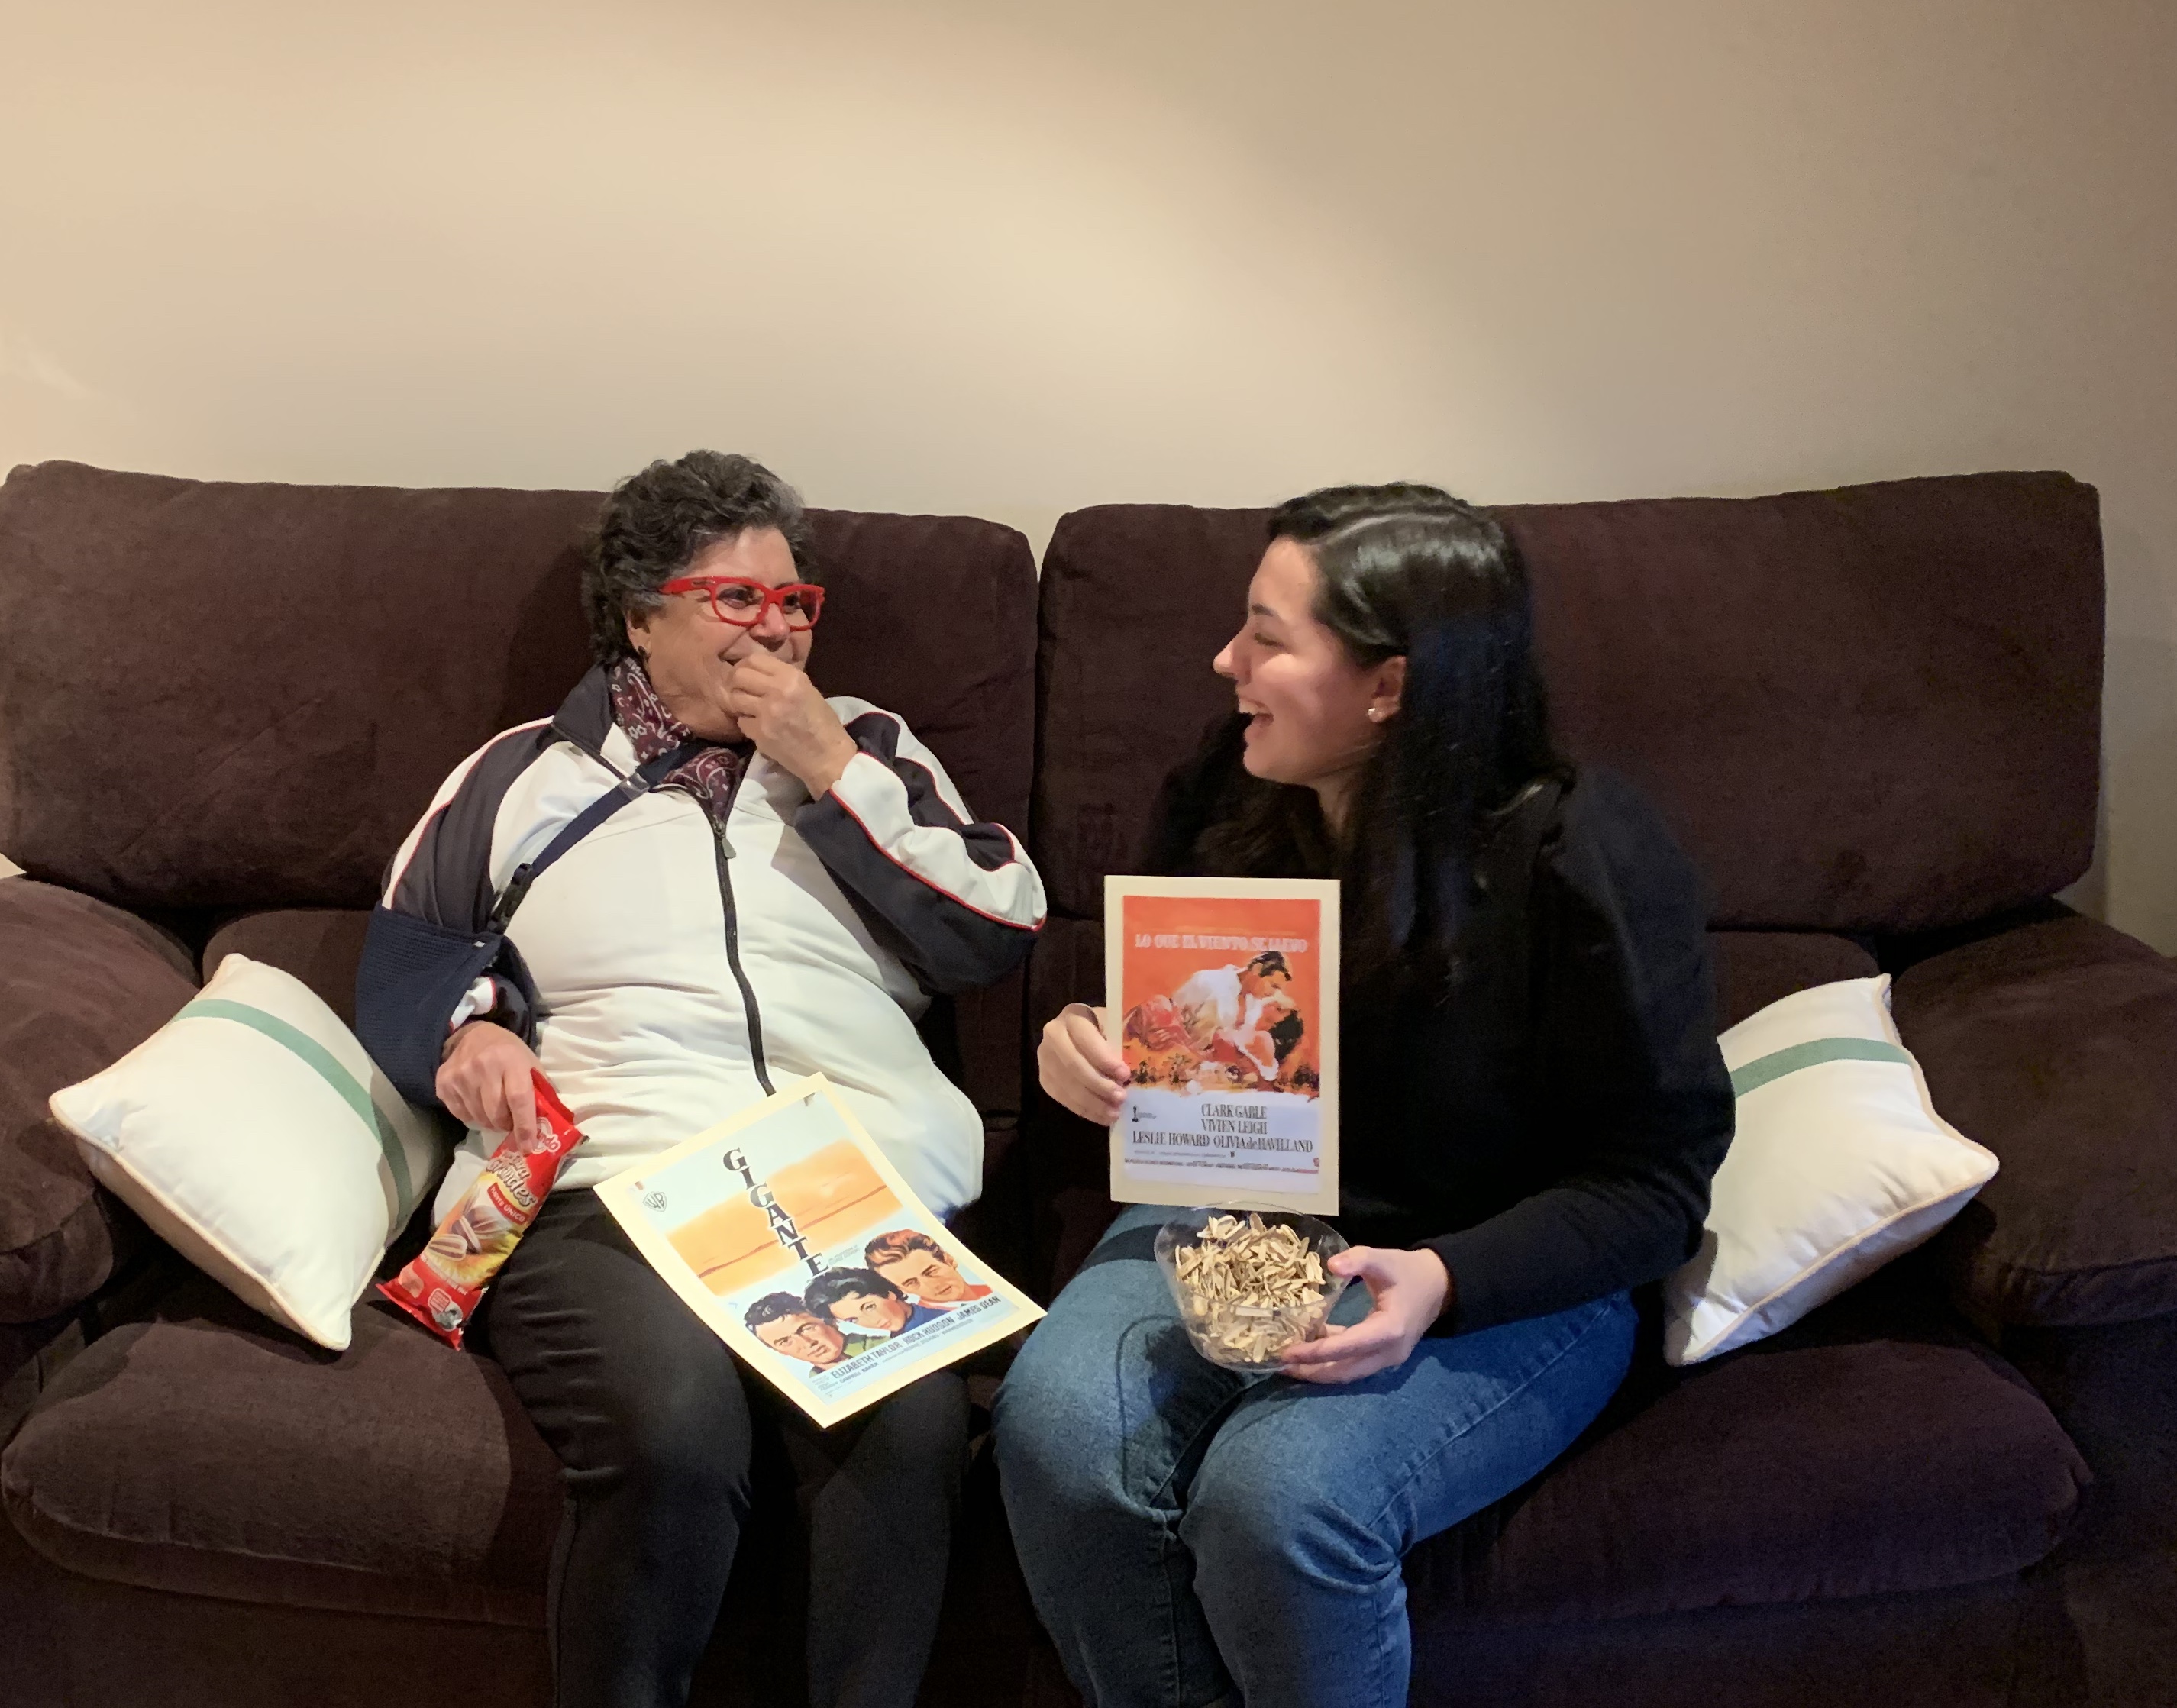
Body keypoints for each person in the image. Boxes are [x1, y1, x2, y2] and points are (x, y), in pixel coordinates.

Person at [996, 483, 1733, 1708]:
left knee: (1273, 1501)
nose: (1223, 662)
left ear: (1387, 685)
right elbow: (1158, 1020)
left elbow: (1654, 1185)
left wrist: (1446, 1279)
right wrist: (1079, 1045)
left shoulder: (1578, 852)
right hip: (1233, 1218)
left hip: (1490, 1265)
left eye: (1265, 637)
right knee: (1058, 1432)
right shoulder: (1228, 789)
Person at [356, 450, 1045, 1708]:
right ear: (640, 616)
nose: (776, 628)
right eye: (737, 598)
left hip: (842, 1195)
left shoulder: (870, 748)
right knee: (671, 1427)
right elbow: (407, 953)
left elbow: (992, 931)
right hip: (611, 1189)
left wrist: (832, 769)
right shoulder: (522, 773)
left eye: (794, 602)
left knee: (910, 1432)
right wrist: (468, 1036)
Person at [746, 1292, 886, 1370]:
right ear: (780, 1351)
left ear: (828, 1320)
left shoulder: (885, 1345)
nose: (807, 1343)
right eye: (785, 1341)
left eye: (806, 1329)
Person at [864, 1229, 993, 1308]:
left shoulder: (991, 1288)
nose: (932, 1285)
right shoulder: (927, 1320)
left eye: (931, 1272)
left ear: (949, 1260)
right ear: (902, 1289)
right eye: (911, 1283)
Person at [805, 1267, 947, 1337]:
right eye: (853, 1320)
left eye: (869, 1307)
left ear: (889, 1294)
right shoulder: (898, 1335)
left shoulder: (940, 1318)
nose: (872, 1321)